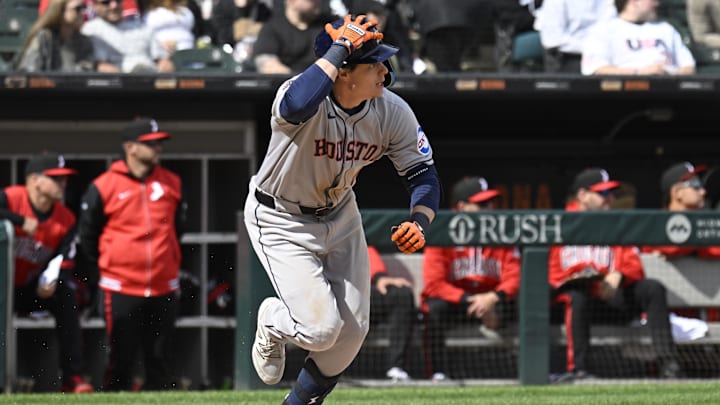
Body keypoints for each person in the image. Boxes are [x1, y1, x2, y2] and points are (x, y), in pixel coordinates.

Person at [244, 14, 440, 404]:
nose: (385, 70)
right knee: (320, 330)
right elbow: (297, 103)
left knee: (350, 335)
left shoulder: (391, 110)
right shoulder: (299, 94)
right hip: (281, 217)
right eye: (375, 63)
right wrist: (340, 49)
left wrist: (420, 221)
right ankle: (272, 320)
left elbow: (424, 178)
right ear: (344, 72)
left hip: (340, 214)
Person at [77, 116, 187, 391]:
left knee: (161, 362)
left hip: (164, 286)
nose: (157, 149)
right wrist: (108, 266)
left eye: (159, 143)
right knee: (120, 362)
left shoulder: (172, 182)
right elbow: (88, 237)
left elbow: (180, 228)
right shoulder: (104, 185)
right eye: (150, 144)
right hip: (121, 286)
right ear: (130, 147)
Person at [548, 167, 683, 382]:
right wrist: (584, 278)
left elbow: (634, 263)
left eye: (610, 193)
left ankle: (669, 365)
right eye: (602, 193)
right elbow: (552, 273)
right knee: (576, 297)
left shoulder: (616, 222)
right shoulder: (561, 224)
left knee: (652, 288)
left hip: (609, 299)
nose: (609, 198)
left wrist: (619, 273)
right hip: (575, 302)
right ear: (583, 195)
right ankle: (579, 370)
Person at [0, 151, 94, 393]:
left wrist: (51, 281)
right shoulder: (11, 198)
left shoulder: (65, 218)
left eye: (63, 179)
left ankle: (73, 377)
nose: (62, 184)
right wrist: (18, 220)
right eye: (55, 178)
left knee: (66, 294)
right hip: (2, 284)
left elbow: (64, 259)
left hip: (29, 286)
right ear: (34, 180)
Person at [420, 176, 521, 382]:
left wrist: (493, 298)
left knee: (525, 302)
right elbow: (434, 283)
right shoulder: (442, 234)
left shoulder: (502, 233)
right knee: (434, 308)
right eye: (482, 203)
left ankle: (528, 370)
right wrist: (469, 299)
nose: (489, 208)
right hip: (458, 303)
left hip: (493, 301)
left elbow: (515, 275)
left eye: (490, 203)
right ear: (462, 206)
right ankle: (438, 373)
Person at [580, 0, 696, 76]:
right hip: (624, 94)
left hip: (668, 91)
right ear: (634, 1)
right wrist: (640, 73)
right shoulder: (604, 30)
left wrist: (669, 73)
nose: (657, 4)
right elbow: (597, 69)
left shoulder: (666, 29)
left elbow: (688, 67)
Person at [368, 245, 417, 381]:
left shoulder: (343, 230)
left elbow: (364, 249)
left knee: (401, 294)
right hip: (319, 296)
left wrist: (379, 277)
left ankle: (396, 367)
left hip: (356, 296)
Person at [81, 0, 172, 72]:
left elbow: (162, 59)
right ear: (95, 6)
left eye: (118, 0)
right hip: (118, 84)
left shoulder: (141, 27)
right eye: (106, 2)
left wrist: (164, 64)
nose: (114, 5)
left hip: (151, 78)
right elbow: (98, 66)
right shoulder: (91, 30)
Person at [252, 0, 337, 74]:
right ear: (292, 1)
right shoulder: (272, 27)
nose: (317, 2)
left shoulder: (331, 26)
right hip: (287, 86)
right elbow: (267, 64)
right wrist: (299, 82)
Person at [532, 0, 616, 73]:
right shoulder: (554, 2)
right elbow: (554, 39)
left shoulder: (607, 2)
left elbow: (611, 27)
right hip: (568, 57)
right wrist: (591, 48)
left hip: (602, 54)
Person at [15, 0, 96, 72]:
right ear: (60, 11)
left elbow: (86, 72)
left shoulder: (85, 42)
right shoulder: (44, 37)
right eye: (77, 9)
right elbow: (30, 71)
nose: (83, 12)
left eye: (84, 7)